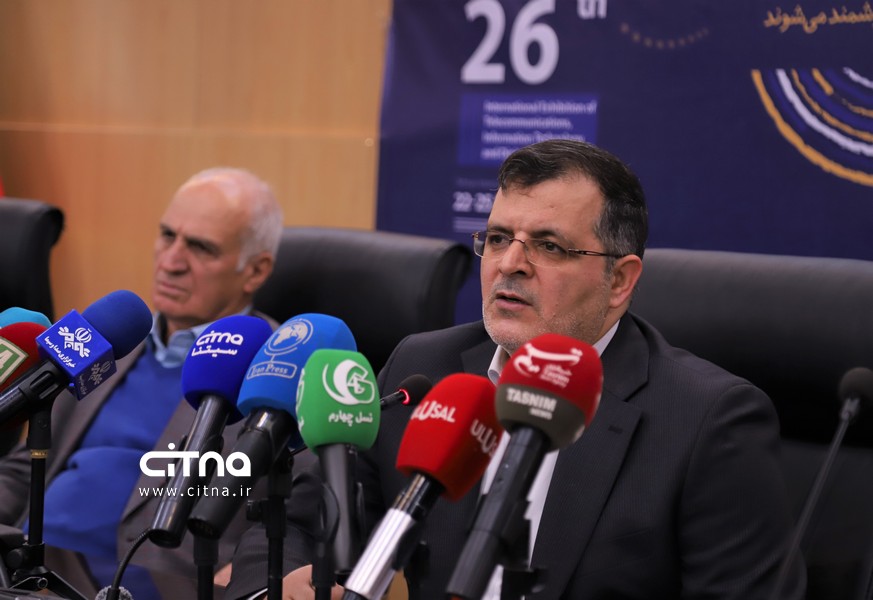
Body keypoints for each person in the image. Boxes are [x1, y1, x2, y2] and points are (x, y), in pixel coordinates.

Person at [225, 139, 805, 599]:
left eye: (549, 246)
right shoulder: (424, 368)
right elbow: (300, 520)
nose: (510, 263)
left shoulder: (707, 420)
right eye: (499, 237)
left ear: (620, 281)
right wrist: (280, 583)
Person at [0, 167, 284, 599]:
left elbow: (299, 510)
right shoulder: (108, 338)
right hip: (28, 570)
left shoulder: (277, 369)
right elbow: (28, 466)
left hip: (152, 582)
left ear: (255, 271)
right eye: (167, 235)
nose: (171, 262)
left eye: (200, 248)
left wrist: (252, 572)